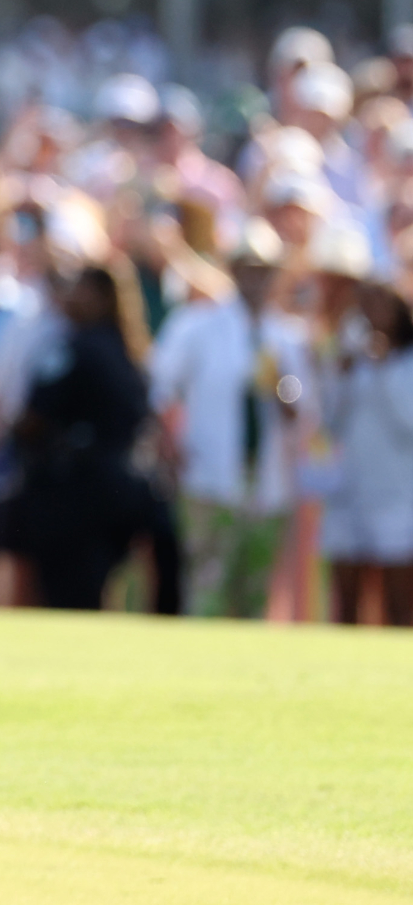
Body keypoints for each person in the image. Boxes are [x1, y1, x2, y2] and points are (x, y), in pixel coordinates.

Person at [150, 222, 313, 618]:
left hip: (267, 487)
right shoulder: (198, 326)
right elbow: (160, 390)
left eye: (264, 270)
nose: (256, 279)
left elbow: (303, 410)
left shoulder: (287, 336)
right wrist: (169, 447)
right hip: (209, 480)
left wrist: (281, 386)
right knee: (207, 587)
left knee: (255, 595)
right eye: (248, 269)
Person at [14, 265, 164, 609]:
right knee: (97, 589)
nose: (71, 297)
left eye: (81, 289)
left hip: (77, 491)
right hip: (120, 485)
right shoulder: (128, 352)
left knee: (68, 591)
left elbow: (35, 415)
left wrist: (16, 432)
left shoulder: (76, 348)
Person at [320, 279, 413, 626]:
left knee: (399, 604)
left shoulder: (403, 362)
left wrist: (385, 367)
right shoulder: (353, 359)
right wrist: (341, 375)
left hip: (399, 499)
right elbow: (329, 424)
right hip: (350, 494)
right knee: (345, 601)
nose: (372, 314)